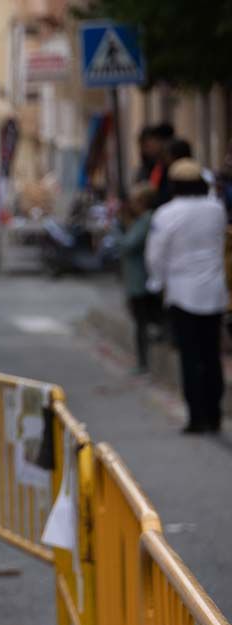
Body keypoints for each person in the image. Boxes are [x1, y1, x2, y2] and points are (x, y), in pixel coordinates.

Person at [147, 159, 228, 434]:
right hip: (214, 292)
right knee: (211, 355)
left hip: (182, 293)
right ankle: (215, 415)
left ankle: (196, 417)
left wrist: (156, 282)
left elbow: (155, 254)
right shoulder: (216, 209)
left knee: (190, 358)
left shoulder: (166, 214)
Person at [118, 183, 161, 374]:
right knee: (141, 321)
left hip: (141, 279)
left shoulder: (146, 220)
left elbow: (128, 244)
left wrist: (116, 232)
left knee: (143, 322)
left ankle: (144, 363)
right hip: (137, 278)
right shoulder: (141, 220)